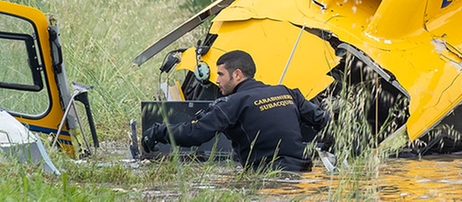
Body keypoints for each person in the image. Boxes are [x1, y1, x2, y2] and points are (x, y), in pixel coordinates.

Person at [141, 49, 329, 171]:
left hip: (267, 177)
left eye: (221, 74)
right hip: (303, 172)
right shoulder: (288, 92)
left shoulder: (232, 102)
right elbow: (326, 122)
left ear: (237, 74)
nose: (217, 80)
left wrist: (158, 131)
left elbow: (195, 134)